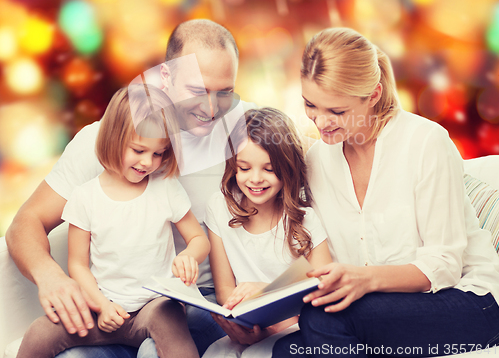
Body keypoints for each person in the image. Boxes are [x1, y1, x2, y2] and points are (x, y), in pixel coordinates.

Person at [6, 19, 254, 358]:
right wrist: (52, 277)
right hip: (110, 303)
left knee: (156, 348)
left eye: (224, 93)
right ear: (166, 76)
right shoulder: (107, 139)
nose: (212, 109)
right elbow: (26, 223)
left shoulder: (250, 132)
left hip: (196, 298)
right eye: (198, 91)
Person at [272, 27, 499, 357]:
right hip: (384, 309)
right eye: (311, 105)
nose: (321, 123)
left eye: (337, 111)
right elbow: (323, 257)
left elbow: (444, 265)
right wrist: (264, 306)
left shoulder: (425, 142)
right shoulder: (317, 161)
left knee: (321, 320)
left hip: (469, 301)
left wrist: (365, 279)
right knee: (287, 350)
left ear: (374, 94)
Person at [16, 85, 210, 358]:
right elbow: (78, 265)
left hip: (154, 306)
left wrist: (190, 255)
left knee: (170, 321)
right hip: (103, 309)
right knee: (40, 333)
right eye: (139, 150)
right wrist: (101, 305)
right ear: (113, 138)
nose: (148, 162)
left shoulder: (166, 187)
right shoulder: (85, 197)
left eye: (158, 153)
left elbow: (198, 239)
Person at [203, 108, 332, 357]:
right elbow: (225, 291)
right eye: (244, 168)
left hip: (295, 329)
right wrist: (245, 324)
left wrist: (265, 298)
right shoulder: (219, 207)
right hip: (246, 327)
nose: (255, 179)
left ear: (287, 168)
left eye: (269, 169)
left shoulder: (307, 221)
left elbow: (323, 291)